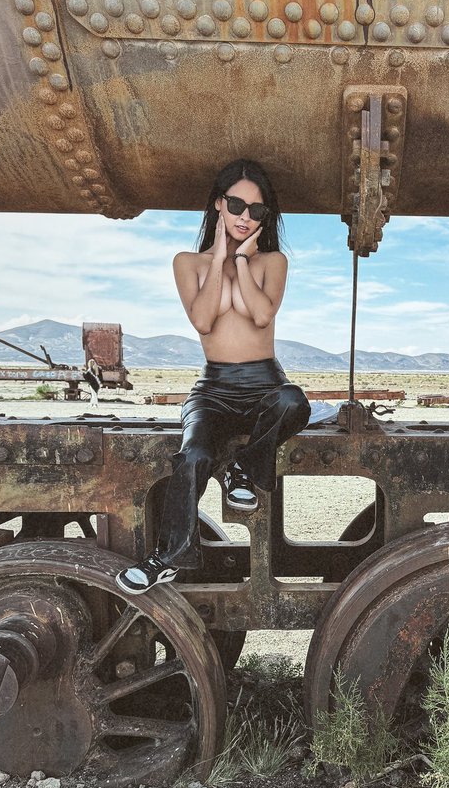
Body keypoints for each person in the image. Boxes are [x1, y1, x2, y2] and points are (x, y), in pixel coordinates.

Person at [116, 160, 310, 594]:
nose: (245, 216)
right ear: (219, 204)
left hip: (265, 385)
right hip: (214, 390)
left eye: (256, 211)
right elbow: (203, 321)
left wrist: (241, 262)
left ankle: (241, 468)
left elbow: (261, 314)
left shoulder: (272, 262)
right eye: (237, 204)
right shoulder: (188, 263)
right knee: (193, 456)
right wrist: (220, 256)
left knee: (293, 402)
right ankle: (167, 557)